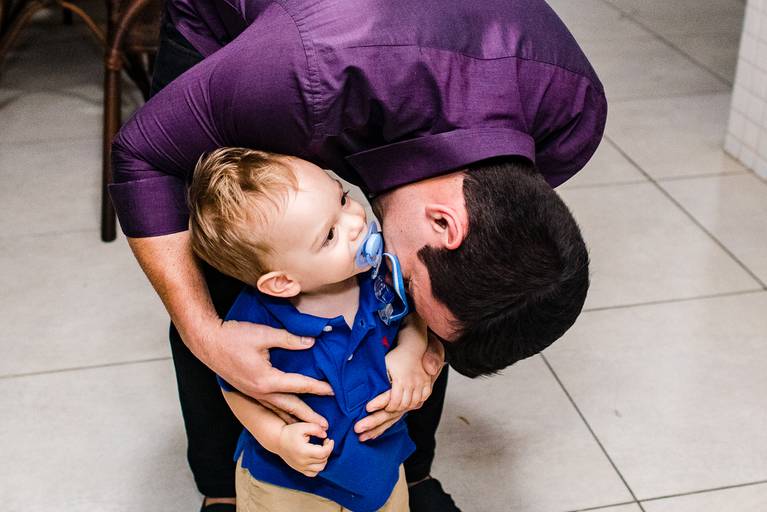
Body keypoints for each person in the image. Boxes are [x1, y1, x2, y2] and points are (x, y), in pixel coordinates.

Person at [109, 0, 606, 510]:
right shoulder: (301, 71)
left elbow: (484, 260)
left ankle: (410, 476)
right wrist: (206, 334)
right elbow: (143, 155)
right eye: (411, 287)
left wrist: (426, 349)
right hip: (289, 44)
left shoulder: (569, 116)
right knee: (241, 254)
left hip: (363, 62)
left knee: (421, 299)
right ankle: (222, 490)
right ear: (443, 222)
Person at [188, 147, 433, 511]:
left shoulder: (380, 274)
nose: (356, 221)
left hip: (379, 468)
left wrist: (411, 352)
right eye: (330, 235)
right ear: (283, 282)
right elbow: (235, 387)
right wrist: (277, 437)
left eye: (343, 199)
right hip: (288, 486)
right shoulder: (254, 324)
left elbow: (413, 316)